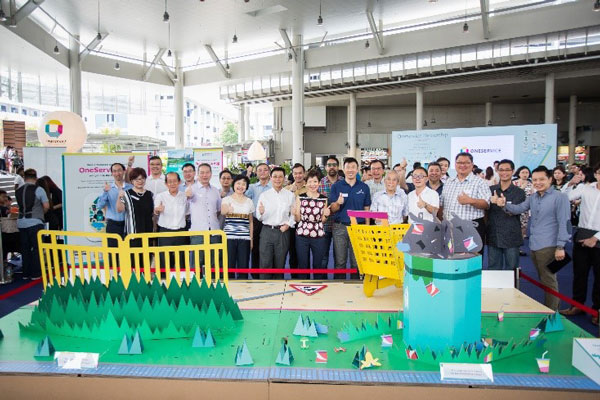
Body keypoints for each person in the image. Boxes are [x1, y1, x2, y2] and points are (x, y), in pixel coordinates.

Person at [497, 166, 571, 311]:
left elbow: (565, 223)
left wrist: (561, 247)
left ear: (550, 179)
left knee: (549, 280)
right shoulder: (533, 197)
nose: (538, 182)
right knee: (544, 279)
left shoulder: (559, 197)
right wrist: (504, 204)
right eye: (535, 179)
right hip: (534, 245)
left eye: (542, 179)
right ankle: (551, 308)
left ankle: (552, 312)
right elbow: (519, 209)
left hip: (550, 246)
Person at [560, 163, 600, 324]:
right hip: (582, 233)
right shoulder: (585, 188)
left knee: (599, 277)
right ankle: (577, 305)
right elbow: (564, 198)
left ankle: (597, 311)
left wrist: (596, 238)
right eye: (599, 172)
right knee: (579, 274)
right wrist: (570, 184)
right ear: (596, 174)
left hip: (598, 237)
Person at [330, 157, 371, 279]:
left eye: (353, 167)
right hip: (340, 227)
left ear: (357, 169)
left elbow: (366, 208)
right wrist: (338, 202)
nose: (350, 170)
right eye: (348, 167)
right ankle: (339, 287)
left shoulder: (364, 187)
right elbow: (332, 209)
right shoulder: (337, 186)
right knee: (340, 262)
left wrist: (367, 229)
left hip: (359, 228)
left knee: (356, 262)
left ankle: (356, 288)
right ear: (344, 169)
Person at [439, 152, 491, 247]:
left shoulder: (479, 182)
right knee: (451, 257)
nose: (462, 165)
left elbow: (486, 204)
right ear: (455, 164)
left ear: (472, 164)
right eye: (459, 162)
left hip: (471, 227)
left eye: (466, 163)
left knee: (471, 257)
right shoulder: (449, 182)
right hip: (450, 227)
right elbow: (442, 203)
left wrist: (471, 201)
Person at [256, 167, 295, 279]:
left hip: (282, 232)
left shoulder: (289, 195)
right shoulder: (264, 195)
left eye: (280, 177)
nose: (278, 179)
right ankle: (265, 289)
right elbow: (259, 217)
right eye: (275, 176)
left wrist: (288, 224)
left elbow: (293, 213)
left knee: (280, 263)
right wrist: (262, 213)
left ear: (284, 179)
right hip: (267, 231)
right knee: (265, 262)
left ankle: (278, 290)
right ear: (270, 178)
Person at [487, 160, 526, 270]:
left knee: (512, 270)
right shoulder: (491, 190)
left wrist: (502, 205)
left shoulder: (519, 192)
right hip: (494, 235)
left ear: (513, 171)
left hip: (511, 236)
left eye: (507, 170)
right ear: (497, 171)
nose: (504, 172)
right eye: (501, 170)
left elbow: (516, 211)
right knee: (493, 269)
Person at [293, 170, 330, 280]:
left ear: (319, 183)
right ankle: (304, 286)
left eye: (315, 181)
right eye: (310, 181)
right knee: (303, 264)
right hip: (302, 235)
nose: (312, 184)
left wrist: (327, 215)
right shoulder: (300, 197)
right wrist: (295, 214)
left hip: (318, 235)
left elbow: (322, 221)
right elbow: (298, 219)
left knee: (318, 264)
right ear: (306, 183)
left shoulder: (324, 199)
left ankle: (317, 286)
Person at [186, 163, 222, 271]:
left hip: (214, 232)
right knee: (196, 263)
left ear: (211, 174)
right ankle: (194, 287)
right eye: (202, 172)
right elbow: (186, 209)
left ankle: (214, 287)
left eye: (207, 172)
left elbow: (218, 210)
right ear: (197, 174)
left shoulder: (215, 191)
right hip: (198, 232)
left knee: (214, 263)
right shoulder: (191, 189)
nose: (204, 175)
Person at [16, 168, 49, 280]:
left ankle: (26, 273)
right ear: (36, 178)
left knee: (25, 248)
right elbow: (46, 206)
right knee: (37, 248)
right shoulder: (39, 190)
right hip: (35, 222)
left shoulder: (18, 190)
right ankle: (35, 274)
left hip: (21, 222)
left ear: (24, 178)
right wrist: (40, 214)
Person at [221, 175, 254, 279]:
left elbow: (251, 222)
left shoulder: (249, 201)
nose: (241, 186)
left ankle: (243, 291)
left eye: (244, 184)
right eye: (238, 183)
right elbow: (222, 212)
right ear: (233, 184)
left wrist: (251, 239)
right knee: (229, 266)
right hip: (229, 238)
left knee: (243, 266)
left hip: (244, 238)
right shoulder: (226, 199)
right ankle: (229, 290)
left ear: (247, 187)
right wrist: (228, 210)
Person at [154, 172, 189, 268]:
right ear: (166, 184)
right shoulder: (160, 196)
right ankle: (163, 281)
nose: (172, 184)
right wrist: (157, 210)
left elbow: (187, 213)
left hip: (181, 232)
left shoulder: (185, 196)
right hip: (165, 232)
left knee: (181, 259)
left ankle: (182, 281)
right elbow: (156, 211)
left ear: (179, 182)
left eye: (175, 181)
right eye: (169, 182)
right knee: (164, 260)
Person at [96, 162, 133, 244]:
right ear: (112, 173)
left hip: (128, 224)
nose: (117, 173)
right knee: (113, 253)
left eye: (119, 170)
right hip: (113, 225)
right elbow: (99, 205)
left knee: (128, 251)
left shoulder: (131, 188)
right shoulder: (108, 188)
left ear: (124, 171)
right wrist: (105, 192)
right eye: (114, 171)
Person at [318, 156, 343, 275]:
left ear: (338, 167)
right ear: (325, 168)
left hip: (340, 225)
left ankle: (339, 282)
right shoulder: (320, 183)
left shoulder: (344, 182)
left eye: (334, 165)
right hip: (325, 226)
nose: (332, 167)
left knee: (340, 258)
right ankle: (323, 279)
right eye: (329, 165)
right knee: (323, 257)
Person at [246, 163, 272, 269]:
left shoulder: (273, 187)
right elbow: (243, 198)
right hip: (256, 222)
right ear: (256, 173)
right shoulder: (252, 187)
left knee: (269, 249)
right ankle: (256, 274)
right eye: (259, 170)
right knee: (255, 248)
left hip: (270, 222)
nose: (262, 172)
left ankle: (269, 273)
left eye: (265, 170)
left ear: (269, 173)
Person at [285, 163, 307, 270]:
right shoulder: (287, 189)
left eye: (300, 173)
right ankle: (294, 276)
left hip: (305, 223)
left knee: (304, 253)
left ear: (304, 174)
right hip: (291, 224)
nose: (298, 176)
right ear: (292, 174)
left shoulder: (309, 188)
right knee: (292, 251)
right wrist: (290, 192)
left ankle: (305, 277)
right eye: (295, 173)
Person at [513, 165, 534, 240]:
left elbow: (533, 196)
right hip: (514, 208)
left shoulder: (531, 184)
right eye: (523, 172)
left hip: (525, 209)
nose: (525, 174)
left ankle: (520, 243)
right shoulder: (513, 183)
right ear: (519, 173)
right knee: (514, 226)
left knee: (523, 226)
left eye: (527, 172)